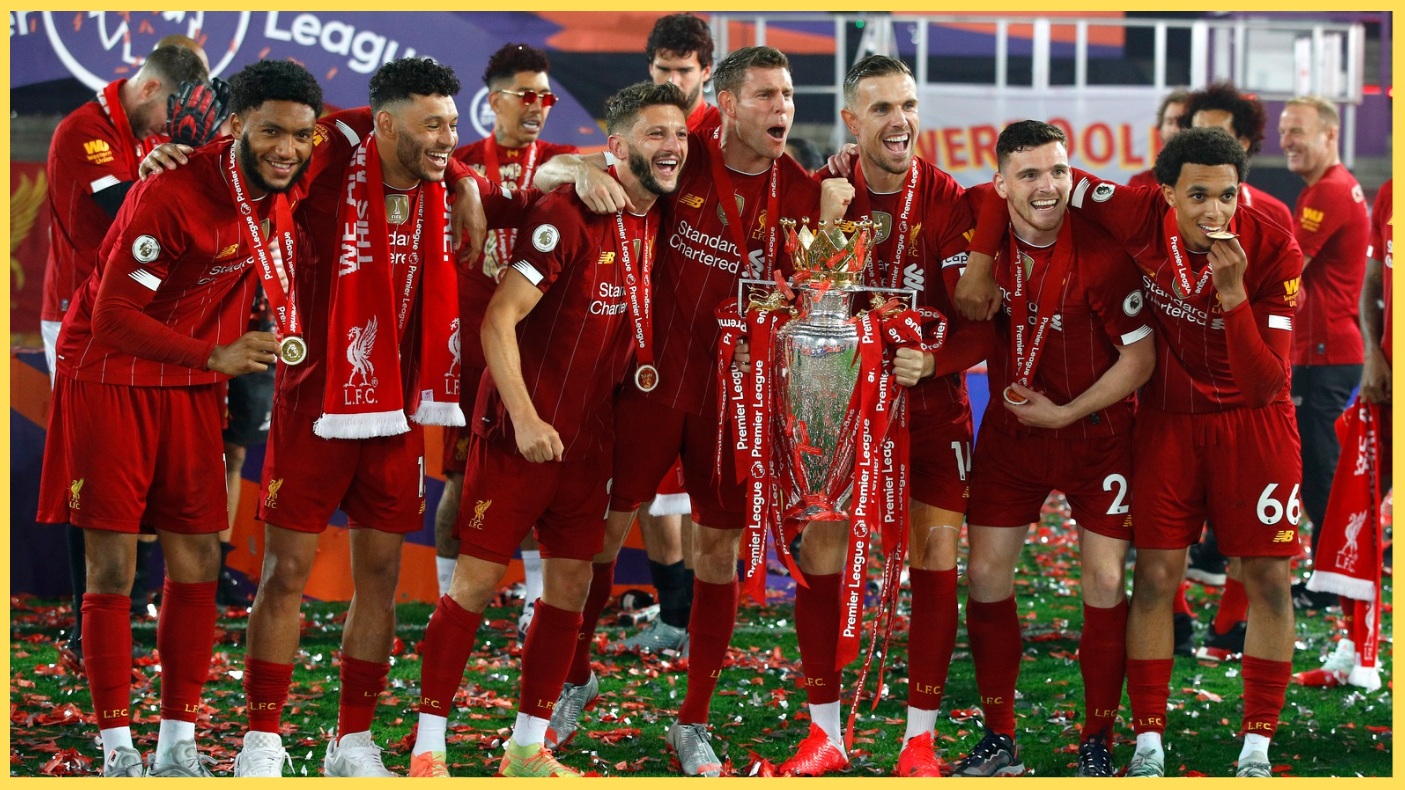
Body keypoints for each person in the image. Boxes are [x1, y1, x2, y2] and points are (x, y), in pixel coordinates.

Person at [533, 46, 845, 775]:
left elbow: (817, 308)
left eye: (788, 95)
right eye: (765, 95)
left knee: (717, 555)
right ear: (727, 104)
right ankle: (575, 676)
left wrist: (832, 228)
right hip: (644, 385)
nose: (782, 109)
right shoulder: (680, 153)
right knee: (603, 539)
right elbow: (550, 174)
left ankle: (693, 720)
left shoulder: (801, 191)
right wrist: (576, 169)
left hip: (729, 399)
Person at [36, 58, 319, 778]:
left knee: (195, 560)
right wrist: (214, 354)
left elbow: (370, 131)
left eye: (300, 135)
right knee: (113, 566)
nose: (286, 148)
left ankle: (176, 744)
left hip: (190, 382)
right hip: (110, 376)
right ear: (233, 129)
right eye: (270, 133)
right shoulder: (169, 195)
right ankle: (117, 747)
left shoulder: (282, 181)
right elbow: (111, 317)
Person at [408, 80, 689, 778]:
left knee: (568, 590)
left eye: (679, 136)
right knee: (473, 585)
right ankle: (426, 752)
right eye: (655, 135)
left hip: (587, 445)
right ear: (616, 146)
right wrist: (527, 417)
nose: (672, 147)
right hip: (520, 434)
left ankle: (527, 750)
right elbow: (497, 319)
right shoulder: (566, 213)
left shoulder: (655, 219)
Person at [228, 57, 483, 777]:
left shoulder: (446, 181)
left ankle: (354, 740)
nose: (447, 138)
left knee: (379, 575)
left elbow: (480, 171)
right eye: (432, 124)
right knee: (286, 575)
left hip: (398, 415)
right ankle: (262, 739)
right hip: (315, 402)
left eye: (453, 124)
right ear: (385, 123)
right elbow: (259, 152)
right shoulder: (331, 148)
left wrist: (463, 180)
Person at [1052, 127, 1303, 777]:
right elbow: (1045, 175)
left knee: (1270, 581)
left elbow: (1263, 384)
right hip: (1166, 424)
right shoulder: (1130, 208)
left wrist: (1232, 296)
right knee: (1157, 579)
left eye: (1226, 195)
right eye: (1196, 196)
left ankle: (1255, 745)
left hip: (1253, 425)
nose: (1214, 212)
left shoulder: (1274, 248)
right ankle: (1147, 742)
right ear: (1164, 194)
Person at [774, 55, 994, 778]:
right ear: (850, 121)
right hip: (841, 417)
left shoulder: (952, 202)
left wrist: (932, 363)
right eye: (880, 109)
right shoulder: (818, 196)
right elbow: (799, 303)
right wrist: (828, 220)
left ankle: (918, 741)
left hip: (932, 412)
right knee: (822, 556)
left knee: (935, 560)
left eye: (907, 105)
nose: (899, 121)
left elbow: (982, 323)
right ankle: (825, 733)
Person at [953, 121, 1152, 777]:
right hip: (1012, 438)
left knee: (1100, 580)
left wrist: (1065, 413)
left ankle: (1096, 737)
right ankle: (998, 737)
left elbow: (1139, 359)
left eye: (1059, 171)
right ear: (1001, 183)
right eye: (1030, 174)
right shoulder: (983, 236)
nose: (1048, 187)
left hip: (1096, 436)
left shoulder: (1101, 253)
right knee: (983, 576)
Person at [40, 43, 210, 665]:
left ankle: (124, 599)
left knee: (137, 461)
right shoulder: (84, 131)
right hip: (80, 324)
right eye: (169, 115)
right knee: (91, 470)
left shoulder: (143, 131)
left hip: (138, 322)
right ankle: (89, 615)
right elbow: (124, 221)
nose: (171, 129)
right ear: (148, 90)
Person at [440, 43, 579, 631]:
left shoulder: (563, 159)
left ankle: (533, 600)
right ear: (492, 99)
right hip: (469, 350)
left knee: (533, 474)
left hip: (538, 351)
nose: (537, 106)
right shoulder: (461, 162)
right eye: (524, 95)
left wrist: (568, 171)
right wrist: (467, 185)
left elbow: (599, 165)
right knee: (457, 481)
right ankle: (447, 599)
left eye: (545, 97)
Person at [1177, 82, 1297, 660]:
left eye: (1222, 135)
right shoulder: (1151, 210)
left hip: (1248, 404)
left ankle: (1229, 622)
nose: (1205, 143)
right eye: (1194, 130)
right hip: (1170, 403)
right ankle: (1175, 618)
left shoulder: (1273, 222)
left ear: (1246, 146)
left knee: (1248, 535)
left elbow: (1273, 349)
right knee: (1158, 544)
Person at [1279, 96, 1370, 597]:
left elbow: (1286, 271)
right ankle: (1336, 572)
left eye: (1298, 131)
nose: (1286, 140)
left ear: (1330, 135)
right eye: (1284, 131)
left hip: (1323, 353)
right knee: (1317, 470)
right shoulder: (1332, 189)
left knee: (1320, 471)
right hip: (1323, 351)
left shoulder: (1327, 193)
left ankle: (1338, 574)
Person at [648, 13, 719, 133]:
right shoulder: (633, 129)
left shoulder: (728, 132)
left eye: (684, 71)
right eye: (664, 69)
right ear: (651, 68)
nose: (672, 82)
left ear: (706, 71)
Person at [1127, 88, 1188, 190]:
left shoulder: (1209, 180)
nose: (1175, 129)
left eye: (1182, 122)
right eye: (1169, 122)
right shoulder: (1140, 183)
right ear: (1160, 129)